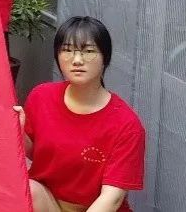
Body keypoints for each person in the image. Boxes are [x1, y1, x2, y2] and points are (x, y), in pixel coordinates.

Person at [15, 16, 145, 212]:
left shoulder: (126, 124)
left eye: (88, 51)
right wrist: (17, 131)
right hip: (48, 203)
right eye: (67, 50)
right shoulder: (41, 96)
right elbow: (30, 152)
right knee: (27, 189)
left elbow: (112, 198)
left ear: (105, 58)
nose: (77, 60)